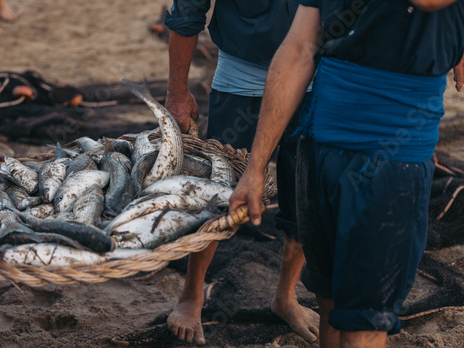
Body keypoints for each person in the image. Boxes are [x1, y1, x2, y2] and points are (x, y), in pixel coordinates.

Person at [230, 0, 464, 347]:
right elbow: (297, 51)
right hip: (319, 146)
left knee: (364, 322)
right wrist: (256, 166)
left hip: (391, 159)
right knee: (330, 303)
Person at [164, 0, 319, 345]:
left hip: (315, 79)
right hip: (241, 81)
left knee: (305, 196)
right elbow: (187, 10)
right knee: (219, 193)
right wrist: (176, 92)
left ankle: (286, 297)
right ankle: (191, 294)